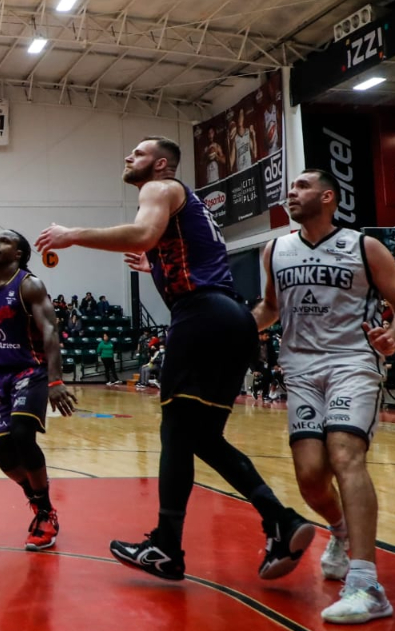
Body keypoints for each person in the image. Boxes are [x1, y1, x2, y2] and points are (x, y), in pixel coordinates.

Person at [36, 136, 311, 581]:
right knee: (202, 439)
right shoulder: (191, 207)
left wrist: (73, 235)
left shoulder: (159, 189)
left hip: (201, 316)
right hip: (235, 319)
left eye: (139, 153)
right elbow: (186, 252)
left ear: (161, 164)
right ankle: (280, 519)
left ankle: (166, 546)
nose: (128, 157)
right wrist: (157, 267)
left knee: (176, 432)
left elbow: (144, 234)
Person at [254, 169, 395, 624]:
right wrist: (231, 330)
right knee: (310, 477)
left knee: (346, 456)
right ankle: (342, 532)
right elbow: (270, 307)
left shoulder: (364, 246)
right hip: (300, 369)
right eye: (291, 187)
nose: (292, 192)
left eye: (302, 187)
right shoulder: (274, 249)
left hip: (352, 362)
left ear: (328, 197)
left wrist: (393, 336)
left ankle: (367, 585)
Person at [0, 231, 76, 551]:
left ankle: (45, 513)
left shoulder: (29, 285)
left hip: (30, 370)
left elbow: (51, 331)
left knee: (23, 435)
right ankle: (41, 505)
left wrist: (55, 381)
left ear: (20, 253)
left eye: (5, 241)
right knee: (2, 454)